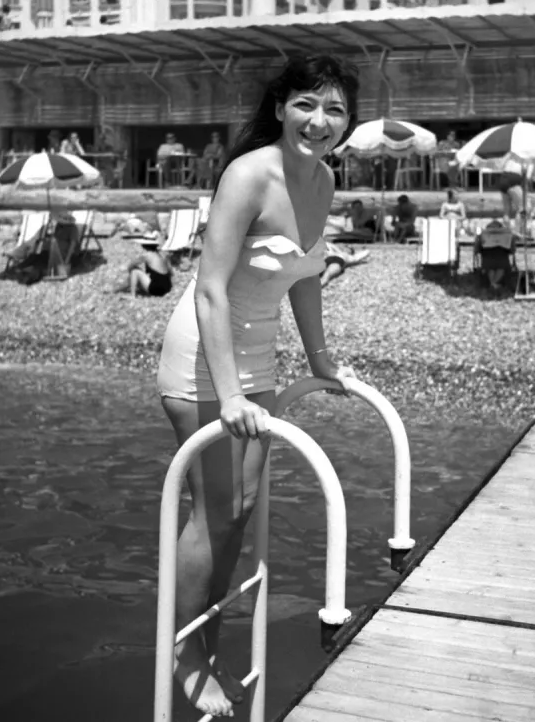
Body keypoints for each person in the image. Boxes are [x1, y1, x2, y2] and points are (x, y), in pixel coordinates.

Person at [155, 54, 359, 718]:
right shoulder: (248, 174)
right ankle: (185, 659)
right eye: (306, 104)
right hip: (203, 357)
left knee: (239, 508)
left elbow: (305, 276)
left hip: (259, 362)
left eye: (333, 109)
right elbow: (209, 289)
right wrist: (229, 394)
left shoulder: (324, 180)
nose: (319, 121)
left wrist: (322, 362)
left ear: (346, 122)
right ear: (280, 108)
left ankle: (205, 646)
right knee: (213, 508)